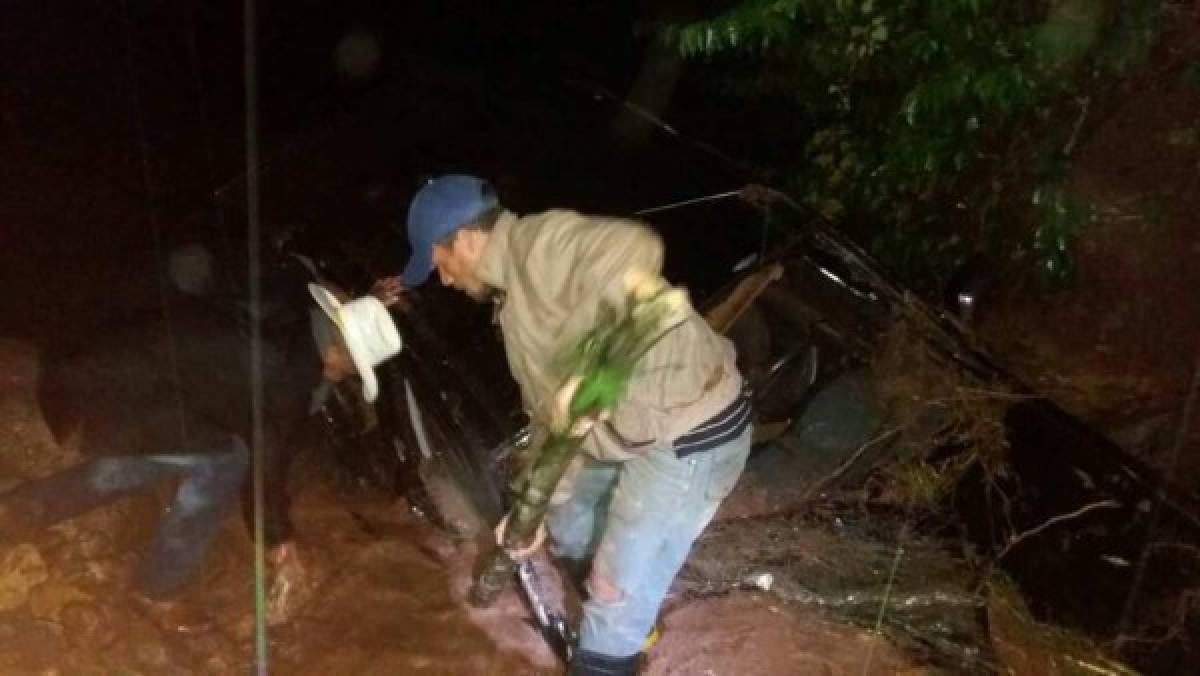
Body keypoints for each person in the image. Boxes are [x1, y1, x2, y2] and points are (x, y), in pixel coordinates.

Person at [394, 175, 753, 675]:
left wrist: (589, 367)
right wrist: (534, 509)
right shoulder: (511, 305)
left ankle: (614, 642)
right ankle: (637, 632)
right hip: (629, 432)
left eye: (441, 264)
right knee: (567, 524)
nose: (447, 281)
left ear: (468, 239)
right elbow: (550, 422)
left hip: (689, 430)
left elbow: (637, 246)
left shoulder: (538, 244)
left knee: (612, 593)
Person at [0, 248, 401, 631]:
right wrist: (279, 540)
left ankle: (17, 511)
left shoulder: (292, 324)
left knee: (178, 454)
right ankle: (158, 588)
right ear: (336, 351)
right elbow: (267, 462)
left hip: (95, 369)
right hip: (107, 392)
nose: (348, 375)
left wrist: (369, 305)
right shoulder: (285, 376)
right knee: (225, 462)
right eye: (353, 366)